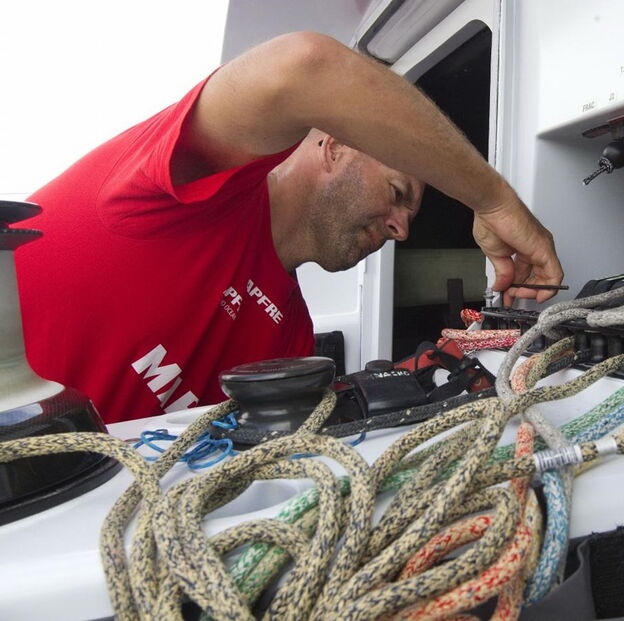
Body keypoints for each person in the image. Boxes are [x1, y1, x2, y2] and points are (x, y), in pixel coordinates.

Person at [14, 31, 563, 424]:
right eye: (398, 196)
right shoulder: (188, 190)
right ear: (336, 145)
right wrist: (492, 200)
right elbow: (304, 66)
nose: (400, 230)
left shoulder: (289, 338)